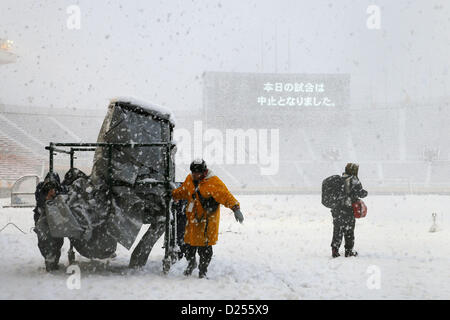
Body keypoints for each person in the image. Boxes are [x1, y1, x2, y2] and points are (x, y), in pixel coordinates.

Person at [172, 159, 244, 278]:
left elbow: (225, 195)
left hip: (206, 222)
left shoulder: (213, 182)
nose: (195, 175)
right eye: (193, 172)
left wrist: (236, 208)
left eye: (197, 173)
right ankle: (191, 264)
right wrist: (173, 194)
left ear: (204, 172)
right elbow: (183, 191)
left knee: (205, 250)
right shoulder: (190, 179)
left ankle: (202, 271)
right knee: (188, 248)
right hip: (192, 222)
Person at [331, 163, 368, 258]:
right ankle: (348, 251)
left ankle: (335, 250)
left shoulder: (338, 179)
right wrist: (365, 193)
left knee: (337, 230)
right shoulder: (354, 180)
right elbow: (360, 193)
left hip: (337, 210)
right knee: (349, 231)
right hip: (348, 210)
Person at [33, 172, 64, 271]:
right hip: (42, 217)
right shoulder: (40, 188)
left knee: (57, 241)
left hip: (56, 218)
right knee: (44, 240)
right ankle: (49, 259)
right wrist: (47, 197)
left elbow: (63, 200)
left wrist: (56, 195)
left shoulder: (61, 189)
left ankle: (53, 261)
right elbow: (39, 200)